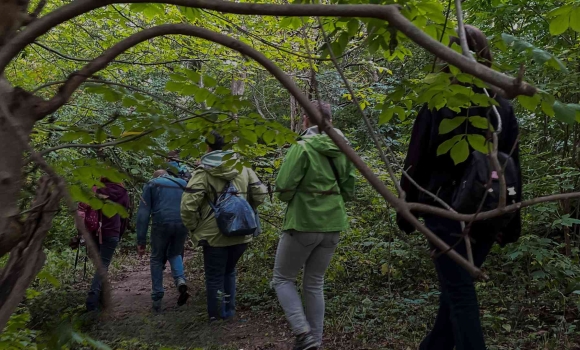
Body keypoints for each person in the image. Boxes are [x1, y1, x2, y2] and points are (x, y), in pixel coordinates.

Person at [396, 25, 522, 350]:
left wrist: (406, 209)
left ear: (447, 56)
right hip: (489, 212)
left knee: (460, 294)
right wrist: (510, 222)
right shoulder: (502, 106)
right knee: (456, 291)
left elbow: (416, 161)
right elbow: (514, 168)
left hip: (443, 210)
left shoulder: (438, 101)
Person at [272, 100, 356, 350]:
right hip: (333, 223)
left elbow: (284, 186)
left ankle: (302, 333)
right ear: (331, 121)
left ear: (306, 120)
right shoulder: (343, 147)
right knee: (314, 282)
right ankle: (315, 341)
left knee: (282, 279)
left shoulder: (303, 147)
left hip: (304, 222)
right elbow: (349, 188)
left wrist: (296, 196)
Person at [180, 131, 267, 322]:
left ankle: (216, 316)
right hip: (242, 231)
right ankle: (229, 311)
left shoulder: (202, 172)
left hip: (213, 235)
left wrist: (194, 227)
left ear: (207, 147)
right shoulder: (243, 168)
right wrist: (245, 209)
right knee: (229, 271)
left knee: (214, 276)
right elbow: (260, 194)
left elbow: (188, 206)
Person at [136, 169, 189, 312]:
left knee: (156, 258)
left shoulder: (152, 184)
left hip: (161, 223)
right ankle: (180, 280)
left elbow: (143, 213)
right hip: (182, 223)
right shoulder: (183, 183)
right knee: (175, 252)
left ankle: (157, 298)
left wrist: (141, 240)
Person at [86, 177, 130, 312]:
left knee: (100, 265)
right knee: (103, 265)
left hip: (94, 232)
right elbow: (124, 216)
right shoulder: (122, 192)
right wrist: (119, 233)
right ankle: (92, 300)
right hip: (112, 232)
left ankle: (99, 299)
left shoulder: (95, 190)